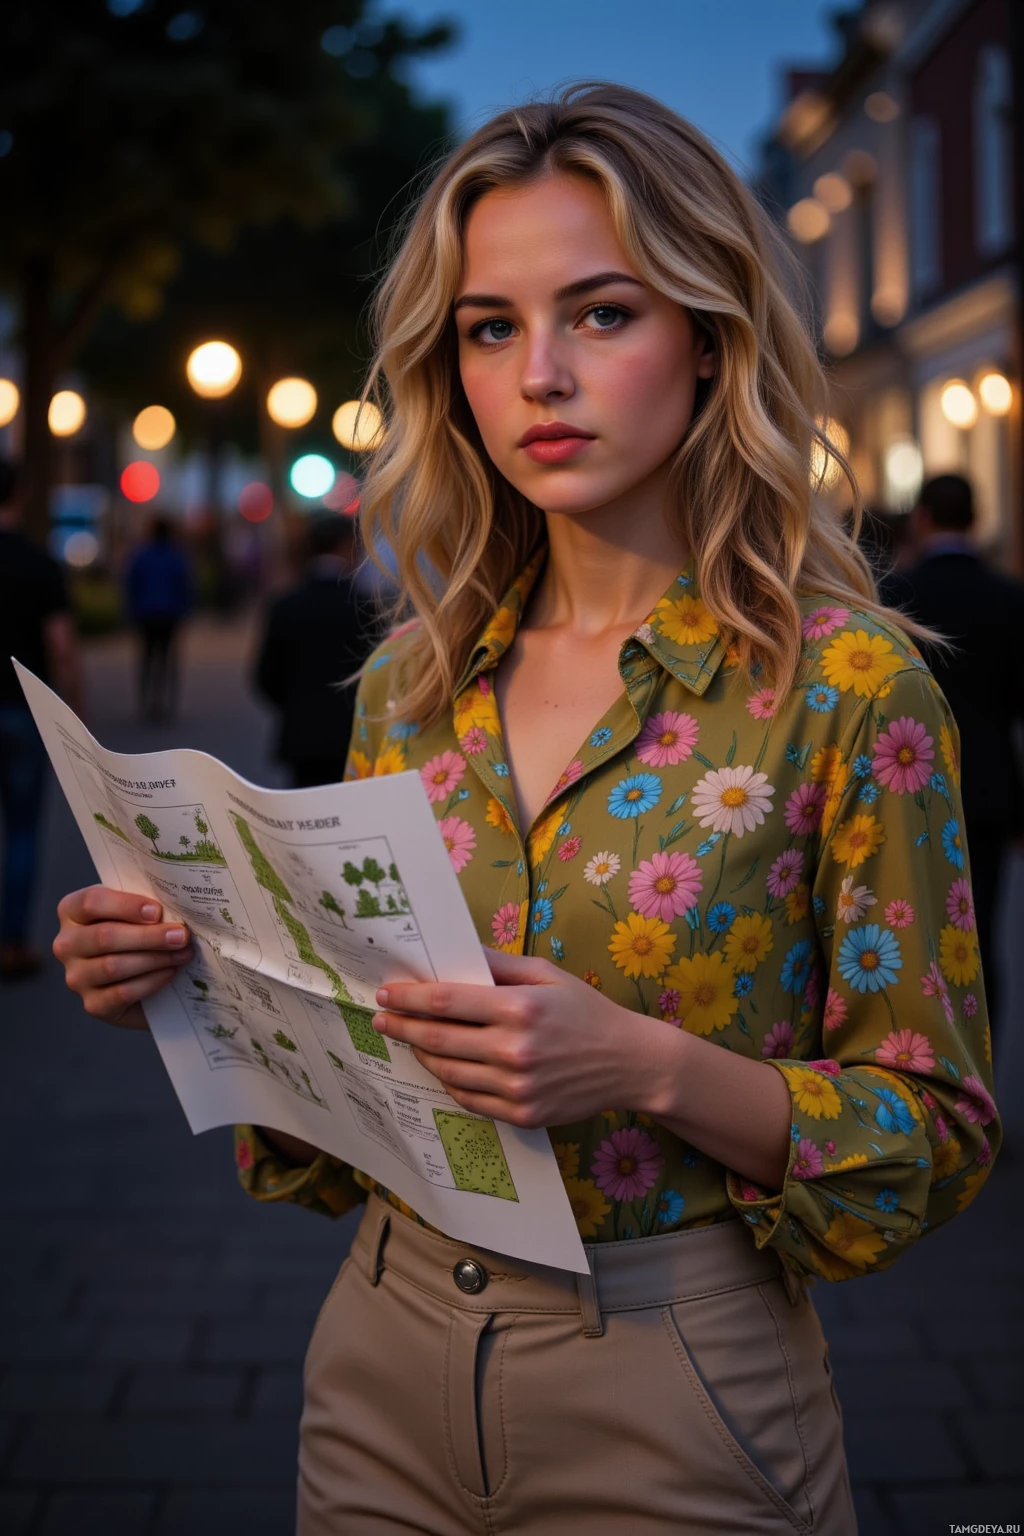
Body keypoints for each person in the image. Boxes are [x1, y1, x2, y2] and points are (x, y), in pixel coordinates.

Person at [51, 84, 1000, 1534]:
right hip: (376, 1355)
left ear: (709, 337)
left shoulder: (852, 691)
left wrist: (640, 1064)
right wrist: (197, 988)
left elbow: (933, 1135)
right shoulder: (411, 688)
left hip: (677, 1379)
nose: (539, 372)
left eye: (603, 313)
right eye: (492, 327)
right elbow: (352, 1099)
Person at [882, 473, 1024, 1038]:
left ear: (921, 519)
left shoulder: (895, 596)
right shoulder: (1009, 597)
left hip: (905, 785)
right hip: (986, 790)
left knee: (913, 932)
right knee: (980, 932)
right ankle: (980, 1073)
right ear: (976, 517)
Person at [0, 457, 83, 978]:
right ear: (22, 493)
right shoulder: (37, 562)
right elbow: (62, 648)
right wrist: (75, 718)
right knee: (23, 829)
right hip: (20, 711)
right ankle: (11, 944)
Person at [254, 513, 380, 787]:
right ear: (345, 545)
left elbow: (265, 677)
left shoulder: (284, 605)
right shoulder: (365, 608)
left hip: (301, 737)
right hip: (353, 737)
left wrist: (298, 705)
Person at [123, 515, 194, 720]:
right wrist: (185, 611)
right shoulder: (176, 557)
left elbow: (131, 584)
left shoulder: (141, 556)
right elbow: (186, 586)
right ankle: (165, 703)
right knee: (166, 659)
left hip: (146, 615)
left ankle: (145, 702)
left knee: (146, 658)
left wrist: (131, 611)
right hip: (170, 615)